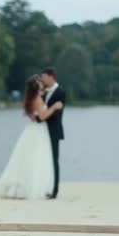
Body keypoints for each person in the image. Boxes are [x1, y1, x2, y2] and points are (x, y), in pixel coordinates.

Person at [0, 75, 64, 200]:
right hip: (38, 131)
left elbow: (34, 116)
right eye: (40, 83)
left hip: (30, 130)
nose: (42, 84)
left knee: (26, 157)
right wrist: (54, 107)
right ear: (37, 86)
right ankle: (33, 187)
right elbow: (42, 116)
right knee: (37, 158)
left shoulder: (30, 99)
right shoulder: (37, 99)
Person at [39, 68, 66, 199]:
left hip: (53, 130)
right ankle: (43, 186)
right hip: (41, 131)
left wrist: (43, 116)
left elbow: (56, 114)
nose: (42, 79)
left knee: (54, 160)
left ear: (51, 77)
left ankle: (55, 190)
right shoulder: (43, 92)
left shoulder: (61, 92)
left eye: (43, 77)